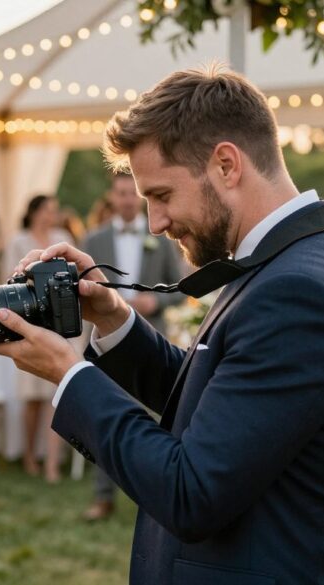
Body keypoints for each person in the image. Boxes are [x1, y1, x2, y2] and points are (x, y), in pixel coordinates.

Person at [0, 65, 324, 584]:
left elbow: (192, 492)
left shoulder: (300, 292)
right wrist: (115, 320)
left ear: (226, 164)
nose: (155, 223)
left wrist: (70, 376)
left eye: (160, 195)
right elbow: (226, 406)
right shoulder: (291, 259)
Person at [80, 172, 187, 520]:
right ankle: (102, 497)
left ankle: (152, 496)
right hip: (105, 339)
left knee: (156, 417)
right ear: (111, 197)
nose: (126, 199)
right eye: (121, 193)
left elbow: (182, 288)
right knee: (104, 413)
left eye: (132, 193)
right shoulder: (93, 240)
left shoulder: (164, 239)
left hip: (150, 338)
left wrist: (155, 304)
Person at [1, 195, 75, 482]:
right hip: (29, 322)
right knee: (31, 398)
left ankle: (52, 464)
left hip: (58, 323)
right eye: (45, 210)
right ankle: (30, 455)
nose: (50, 216)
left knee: (55, 396)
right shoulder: (18, 241)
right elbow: (7, 279)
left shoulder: (62, 237)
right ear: (33, 212)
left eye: (54, 210)